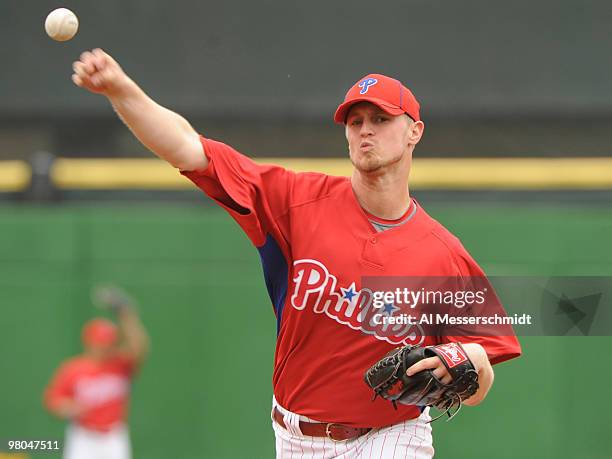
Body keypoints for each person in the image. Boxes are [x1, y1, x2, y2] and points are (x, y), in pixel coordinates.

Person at [70, 49, 521, 458]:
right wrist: (121, 90)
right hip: (294, 437)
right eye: (355, 121)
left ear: (414, 132)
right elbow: (190, 150)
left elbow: (480, 380)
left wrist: (472, 363)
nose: (365, 130)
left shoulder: (442, 254)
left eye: (381, 119)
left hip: (391, 437)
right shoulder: (295, 202)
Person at [43, 286, 149, 459]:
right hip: (83, 435)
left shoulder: (120, 363)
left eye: (109, 342)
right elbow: (53, 399)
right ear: (89, 343)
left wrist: (126, 315)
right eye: (101, 342)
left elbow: (140, 347)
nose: (105, 347)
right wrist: (68, 407)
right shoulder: (73, 369)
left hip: (113, 436)